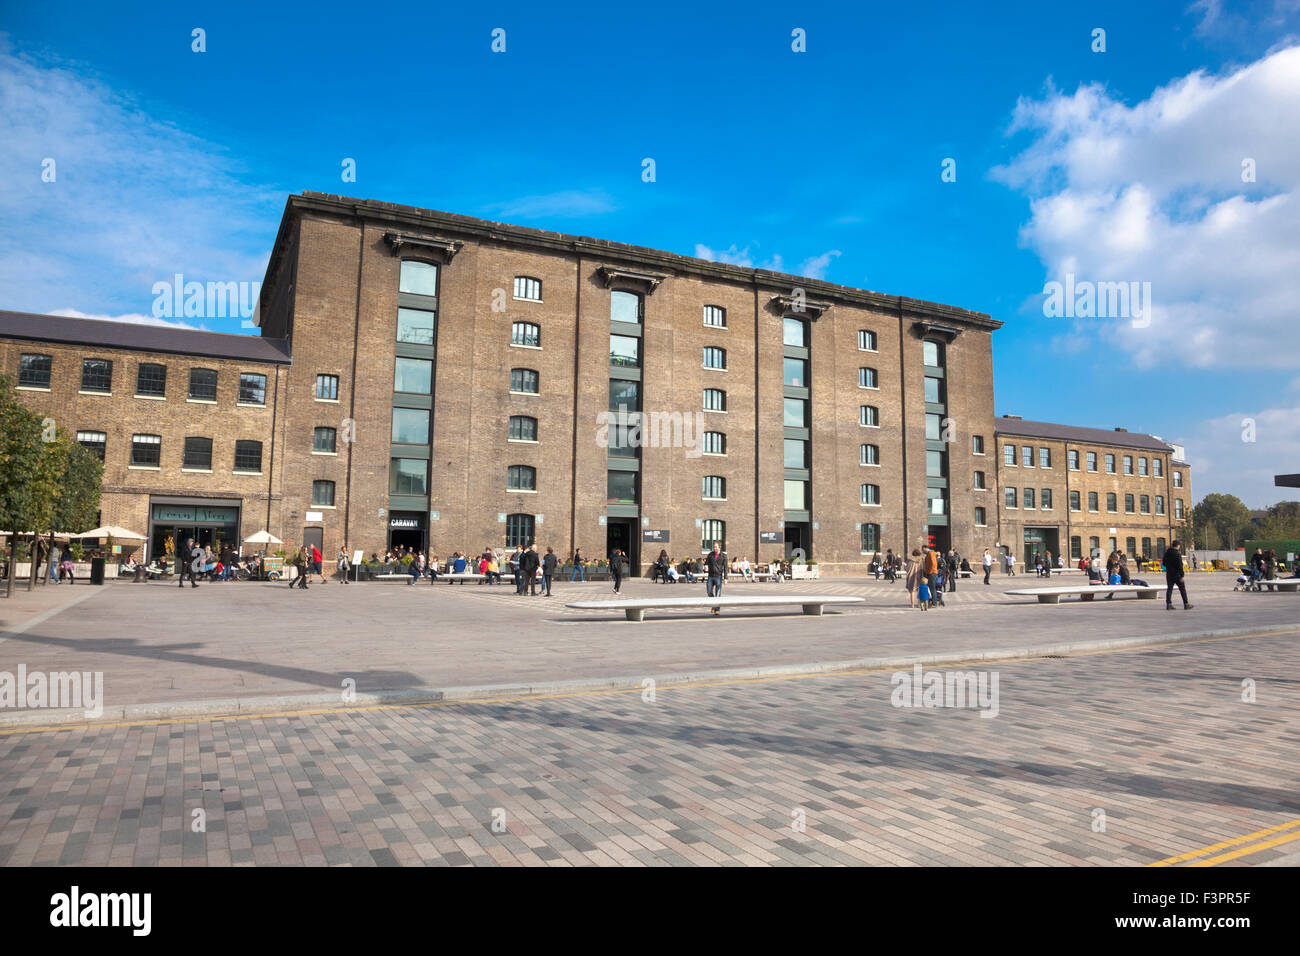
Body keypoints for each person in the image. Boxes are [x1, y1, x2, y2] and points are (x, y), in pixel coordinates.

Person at [1163, 539, 1191, 610]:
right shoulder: (1177, 554)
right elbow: (1180, 566)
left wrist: (1169, 567)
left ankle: (1168, 604)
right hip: (1177, 575)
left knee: (1169, 589)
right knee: (1182, 589)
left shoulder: (1167, 553)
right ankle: (1186, 604)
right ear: (1178, 546)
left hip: (1169, 574)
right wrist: (1182, 575)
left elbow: (1163, 563)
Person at [705, 540, 728, 615]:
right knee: (709, 592)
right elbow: (706, 563)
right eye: (714, 547)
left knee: (718, 594)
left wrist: (725, 578)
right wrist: (705, 566)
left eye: (716, 547)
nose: (714, 548)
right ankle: (714, 605)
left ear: (719, 547)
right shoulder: (710, 555)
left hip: (718, 576)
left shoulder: (723, 556)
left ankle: (717, 609)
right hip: (710, 576)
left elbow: (725, 568)